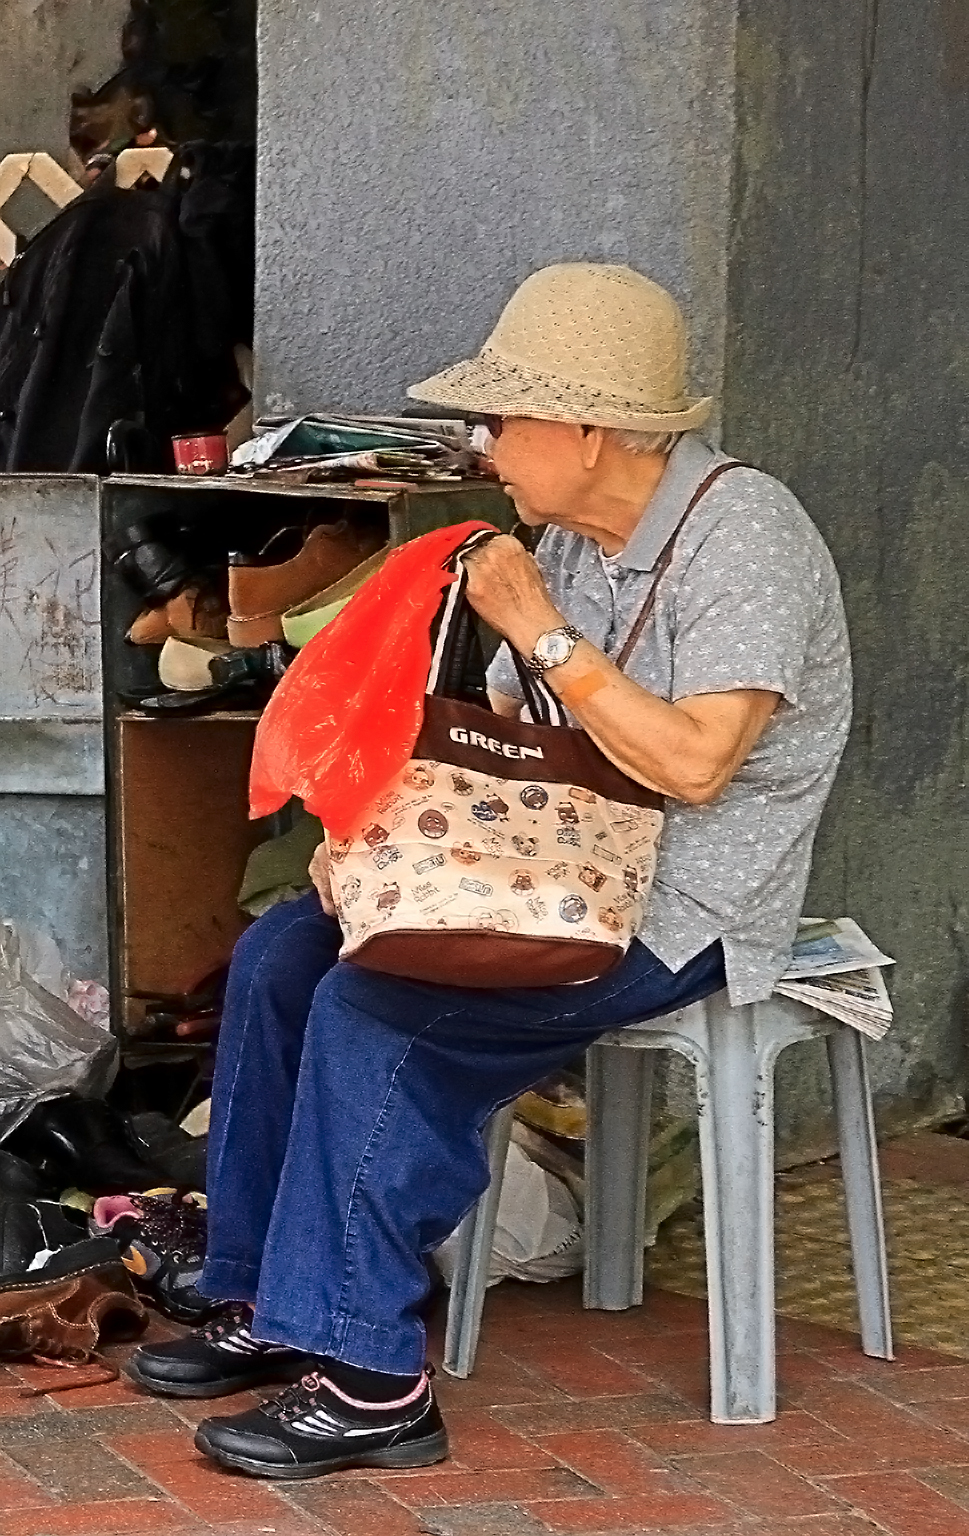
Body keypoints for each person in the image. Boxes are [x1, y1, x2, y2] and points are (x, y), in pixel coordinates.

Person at [127, 263, 852, 1478]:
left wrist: (543, 632)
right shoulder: (569, 539)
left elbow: (695, 763)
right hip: (545, 863)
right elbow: (503, 738)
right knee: (280, 957)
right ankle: (265, 1297)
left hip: (676, 907)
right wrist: (375, 848)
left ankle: (371, 1380)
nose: (483, 444)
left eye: (503, 419)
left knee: (376, 1007)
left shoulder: (747, 539)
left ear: (589, 430)